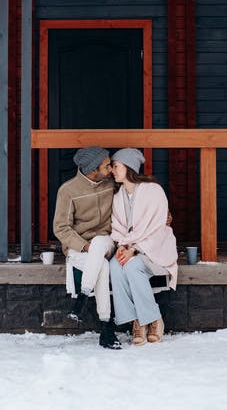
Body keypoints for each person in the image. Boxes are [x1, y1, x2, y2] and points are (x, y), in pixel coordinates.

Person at [53, 146, 121, 350]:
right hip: (80, 248)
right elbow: (61, 228)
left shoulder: (111, 184)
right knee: (101, 265)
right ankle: (106, 326)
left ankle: (81, 299)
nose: (111, 169)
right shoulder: (68, 190)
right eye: (107, 165)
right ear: (93, 169)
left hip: (106, 242)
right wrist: (84, 246)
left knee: (100, 244)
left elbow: (135, 194)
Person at [109, 148, 178, 346]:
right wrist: (122, 246)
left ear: (128, 166)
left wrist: (135, 249)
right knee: (115, 266)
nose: (113, 170)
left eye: (116, 166)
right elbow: (118, 226)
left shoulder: (153, 191)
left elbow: (157, 227)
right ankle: (138, 319)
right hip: (130, 247)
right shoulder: (118, 195)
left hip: (154, 248)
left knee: (131, 266)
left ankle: (151, 318)